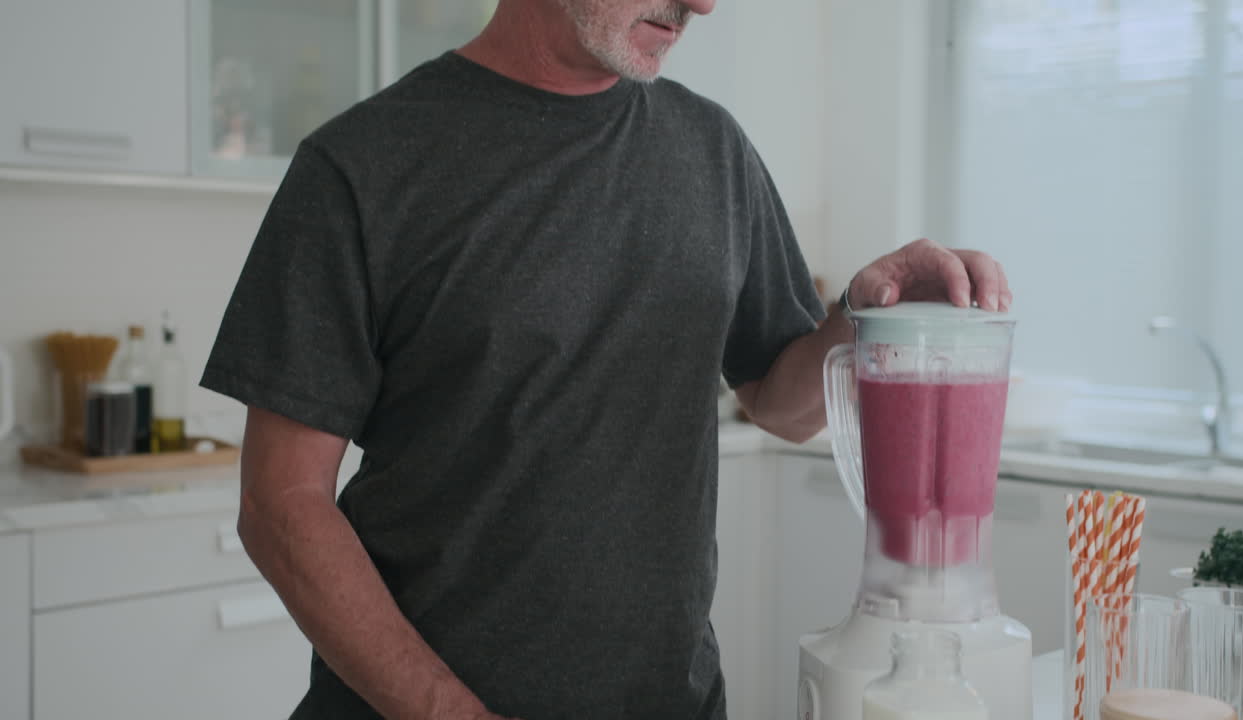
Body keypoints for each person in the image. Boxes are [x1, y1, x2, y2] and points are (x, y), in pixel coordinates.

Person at [200, 1, 1013, 719]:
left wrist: (856, 318)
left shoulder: (713, 151)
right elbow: (281, 504)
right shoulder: (361, 166)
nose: (702, 3)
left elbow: (780, 401)